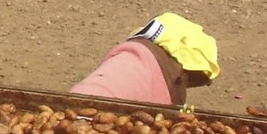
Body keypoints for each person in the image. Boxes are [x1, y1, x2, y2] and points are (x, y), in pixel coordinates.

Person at [69, 12, 219, 106]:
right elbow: (88, 98)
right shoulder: (133, 67)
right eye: (191, 80)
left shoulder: (139, 63)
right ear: (183, 73)